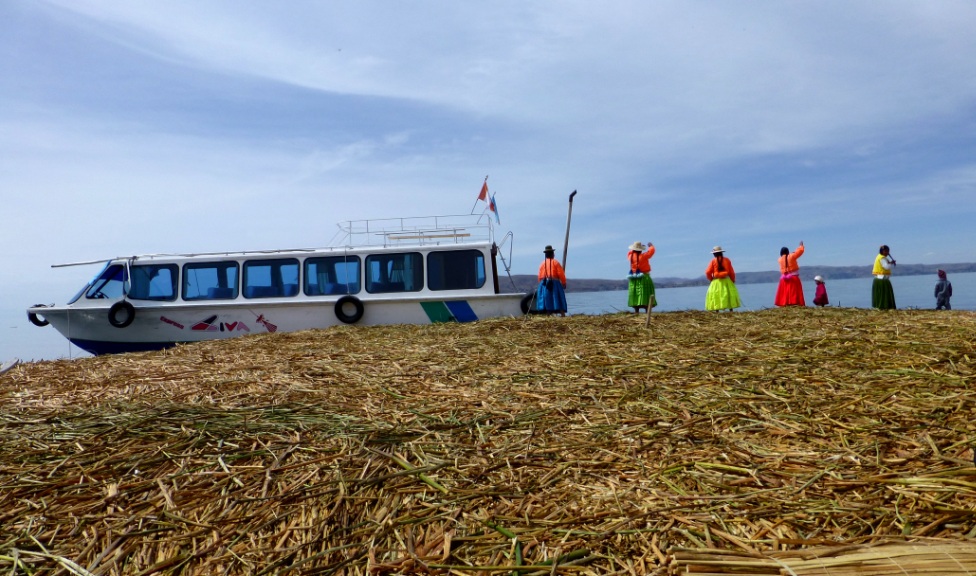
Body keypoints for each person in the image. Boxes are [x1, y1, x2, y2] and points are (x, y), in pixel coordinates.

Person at [705, 246, 741, 311]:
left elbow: (707, 272)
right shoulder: (727, 260)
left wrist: (711, 279)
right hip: (726, 280)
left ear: (714, 254)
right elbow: (731, 272)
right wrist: (732, 280)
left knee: (716, 294)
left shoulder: (713, 261)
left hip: (716, 281)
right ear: (721, 253)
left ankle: (717, 310)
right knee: (728, 294)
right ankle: (731, 310)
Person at [536, 245, 567, 316]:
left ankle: (548, 315)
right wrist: (563, 282)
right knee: (557, 298)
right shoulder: (555, 262)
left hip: (544, 284)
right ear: (552, 254)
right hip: (554, 283)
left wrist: (541, 285)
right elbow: (561, 273)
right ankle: (562, 314)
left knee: (547, 299)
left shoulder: (542, 264)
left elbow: (539, 276)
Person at [626, 241, 656, 313]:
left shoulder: (630, 257)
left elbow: (629, 253)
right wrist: (651, 246)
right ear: (640, 250)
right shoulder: (644, 256)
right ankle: (647, 310)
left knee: (635, 293)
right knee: (645, 293)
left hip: (633, 278)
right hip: (644, 277)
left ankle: (636, 310)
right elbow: (651, 252)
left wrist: (634, 249)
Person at [774, 241, 806, 307]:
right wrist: (801, 246)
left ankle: (784, 303)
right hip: (793, 277)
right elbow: (799, 252)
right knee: (793, 291)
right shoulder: (791, 256)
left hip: (783, 278)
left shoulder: (779, 259)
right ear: (787, 251)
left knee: (785, 292)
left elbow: (785, 259)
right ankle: (794, 302)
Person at [872, 244, 896, 310]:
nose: (887, 253)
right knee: (883, 294)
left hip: (880, 279)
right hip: (881, 279)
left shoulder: (879, 257)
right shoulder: (882, 258)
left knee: (883, 294)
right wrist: (891, 263)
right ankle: (883, 306)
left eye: (888, 251)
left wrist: (890, 262)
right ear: (882, 251)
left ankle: (883, 306)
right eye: (886, 251)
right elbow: (886, 267)